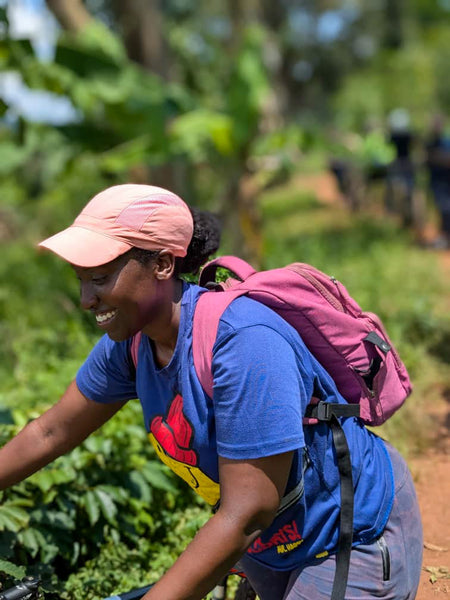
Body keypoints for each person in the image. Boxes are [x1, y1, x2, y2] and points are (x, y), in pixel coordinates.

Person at [0, 184, 423, 600]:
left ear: (163, 265)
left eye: (100, 278)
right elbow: (49, 433)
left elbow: (246, 512)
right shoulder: (130, 342)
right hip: (270, 541)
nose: (85, 299)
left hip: (347, 533)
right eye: (81, 281)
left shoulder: (243, 343)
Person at [425, 114, 450, 249]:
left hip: (446, 181)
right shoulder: (429, 142)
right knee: (444, 209)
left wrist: (438, 158)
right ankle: (445, 236)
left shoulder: (446, 141)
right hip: (437, 182)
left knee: (446, 209)